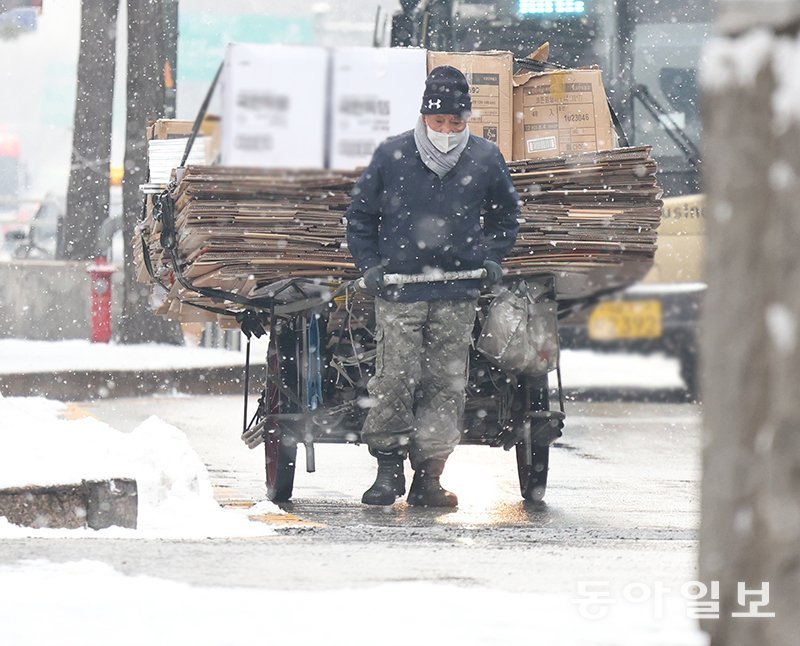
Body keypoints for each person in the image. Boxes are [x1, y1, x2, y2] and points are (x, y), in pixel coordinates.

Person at [345, 65, 520, 507]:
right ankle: (388, 470)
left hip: (458, 291)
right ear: (424, 116)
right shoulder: (393, 155)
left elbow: (505, 216)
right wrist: (369, 265)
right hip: (401, 290)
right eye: (439, 122)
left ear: (467, 120)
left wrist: (492, 258)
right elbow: (361, 217)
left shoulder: (484, 157)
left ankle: (429, 476)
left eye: (456, 123)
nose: (446, 131)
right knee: (394, 377)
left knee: (445, 383)